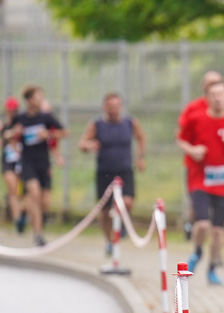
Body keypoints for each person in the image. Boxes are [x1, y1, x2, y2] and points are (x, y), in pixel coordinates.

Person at [177, 81, 224, 285]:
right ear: (206, 98)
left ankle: (212, 268)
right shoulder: (197, 118)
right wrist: (192, 150)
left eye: (221, 94)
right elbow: (180, 140)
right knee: (203, 224)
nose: (217, 98)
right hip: (201, 179)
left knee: (218, 230)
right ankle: (197, 252)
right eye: (213, 95)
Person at [78, 92, 147, 254]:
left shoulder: (130, 122)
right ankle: (109, 240)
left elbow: (141, 138)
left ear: (121, 107)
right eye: (110, 107)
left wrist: (140, 157)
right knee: (105, 211)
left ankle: (122, 224)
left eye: (116, 106)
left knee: (127, 202)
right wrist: (89, 145)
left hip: (124, 170)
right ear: (105, 107)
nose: (114, 110)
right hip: (105, 172)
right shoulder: (97, 124)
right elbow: (82, 143)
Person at [6, 86, 67, 246]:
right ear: (29, 100)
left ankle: (32, 218)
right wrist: (14, 135)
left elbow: (64, 132)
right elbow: (7, 135)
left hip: (43, 162)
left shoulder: (46, 118)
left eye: (42, 97)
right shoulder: (20, 118)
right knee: (34, 194)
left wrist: (49, 134)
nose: (40, 100)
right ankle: (38, 234)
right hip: (28, 162)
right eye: (38, 97)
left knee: (44, 201)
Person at [178, 71, 224, 239]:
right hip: (197, 168)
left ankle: (216, 250)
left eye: (217, 83)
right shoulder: (193, 108)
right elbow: (181, 137)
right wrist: (192, 150)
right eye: (209, 84)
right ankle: (192, 224)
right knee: (198, 207)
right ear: (203, 87)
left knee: (218, 214)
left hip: (220, 170)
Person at [1, 97, 26, 233]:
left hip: (22, 161)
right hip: (8, 161)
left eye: (14, 110)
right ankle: (17, 220)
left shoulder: (22, 123)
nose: (11, 112)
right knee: (13, 190)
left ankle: (22, 213)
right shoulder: (4, 125)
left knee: (22, 192)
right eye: (9, 110)